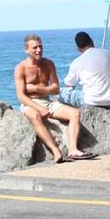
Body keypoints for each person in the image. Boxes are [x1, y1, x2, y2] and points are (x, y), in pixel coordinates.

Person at [14, 33, 97, 162]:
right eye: (35, 48)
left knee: (74, 113)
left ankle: (73, 150)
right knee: (35, 116)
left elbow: (56, 89)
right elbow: (21, 96)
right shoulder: (21, 68)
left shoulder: (48, 64)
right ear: (26, 49)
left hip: (48, 101)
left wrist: (36, 88)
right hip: (30, 103)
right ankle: (56, 151)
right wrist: (39, 108)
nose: (39, 50)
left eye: (40, 47)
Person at [58, 31, 110, 109]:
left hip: (92, 103)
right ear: (91, 41)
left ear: (78, 48)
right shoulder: (107, 53)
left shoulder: (77, 62)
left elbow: (69, 85)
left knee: (61, 92)